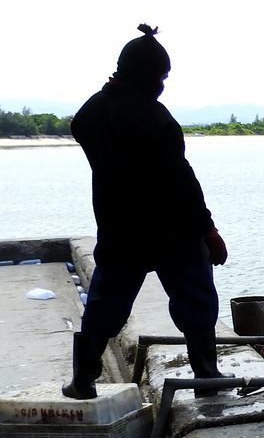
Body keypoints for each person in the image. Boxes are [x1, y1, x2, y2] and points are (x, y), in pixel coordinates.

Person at [63, 24, 229, 399]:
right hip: (174, 231)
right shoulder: (157, 119)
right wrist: (209, 230)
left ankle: (83, 380)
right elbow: (182, 181)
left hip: (120, 230)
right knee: (196, 299)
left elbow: (88, 131)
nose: (162, 84)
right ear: (146, 75)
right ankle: (206, 374)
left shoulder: (91, 114)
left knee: (107, 304)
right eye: (161, 76)